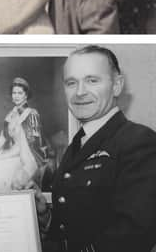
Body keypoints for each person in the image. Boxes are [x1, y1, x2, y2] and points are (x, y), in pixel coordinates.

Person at [28, 45, 156, 251]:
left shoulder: (138, 141)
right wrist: (46, 218)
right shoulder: (76, 146)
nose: (79, 92)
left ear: (117, 85)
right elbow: (73, 228)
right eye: (71, 83)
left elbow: (134, 233)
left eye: (92, 80)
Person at [0, 77, 53, 191]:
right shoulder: (11, 115)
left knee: (7, 177)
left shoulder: (31, 114)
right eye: (14, 93)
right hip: (13, 153)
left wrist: (2, 156)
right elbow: (3, 137)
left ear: (26, 95)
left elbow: (30, 145)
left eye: (20, 93)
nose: (16, 96)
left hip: (28, 157)